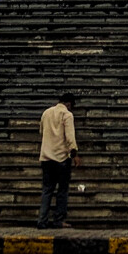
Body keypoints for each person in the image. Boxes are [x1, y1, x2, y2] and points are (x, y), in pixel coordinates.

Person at [38, 93, 78, 226]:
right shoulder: (67, 115)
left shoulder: (46, 113)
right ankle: (59, 220)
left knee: (47, 190)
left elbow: (41, 132)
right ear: (68, 104)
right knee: (62, 190)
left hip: (46, 157)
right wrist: (75, 154)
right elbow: (70, 137)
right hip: (61, 158)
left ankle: (42, 220)